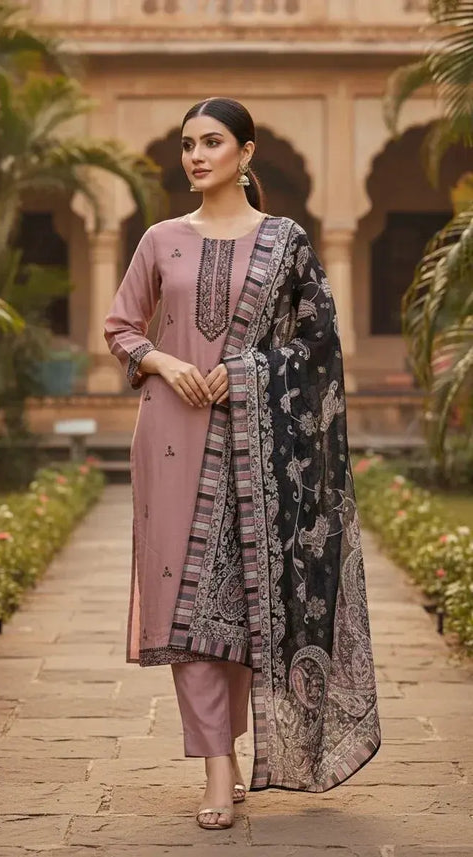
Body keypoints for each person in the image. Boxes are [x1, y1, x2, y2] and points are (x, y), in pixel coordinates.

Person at [104, 97, 381, 831]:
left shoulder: (285, 242)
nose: (196, 156)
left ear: (246, 151)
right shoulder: (160, 239)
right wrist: (162, 361)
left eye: (212, 142)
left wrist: (252, 368)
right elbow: (120, 325)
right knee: (187, 607)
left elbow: (318, 343)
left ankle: (242, 748)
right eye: (188, 144)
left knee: (245, 597)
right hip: (169, 436)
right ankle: (217, 766)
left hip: (262, 442)